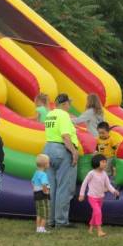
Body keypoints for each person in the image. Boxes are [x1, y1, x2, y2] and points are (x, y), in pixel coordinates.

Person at [43, 93, 80, 228]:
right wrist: (74, 152)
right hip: (62, 151)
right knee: (64, 187)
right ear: (65, 104)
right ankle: (61, 221)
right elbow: (65, 136)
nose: (69, 106)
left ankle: (49, 220)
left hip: (48, 149)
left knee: (51, 187)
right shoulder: (64, 115)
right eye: (69, 103)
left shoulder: (50, 114)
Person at [78, 154, 120, 237]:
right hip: (92, 197)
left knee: (95, 213)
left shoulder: (104, 174)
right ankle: (99, 230)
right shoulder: (91, 173)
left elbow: (108, 185)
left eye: (105, 162)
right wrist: (81, 194)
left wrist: (114, 191)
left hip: (101, 197)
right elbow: (84, 183)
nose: (105, 164)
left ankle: (90, 228)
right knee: (98, 212)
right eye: (103, 162)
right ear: (96, 162)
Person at [31, 154, 51, 234]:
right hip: (43, 195)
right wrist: (45, 191)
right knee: (45, 212)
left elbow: (32, 181)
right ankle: (42, 228)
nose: (49, 164)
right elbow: (44, 184)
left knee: (39, 212)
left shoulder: (36, 173)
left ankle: (38, 228)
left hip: (36, 194)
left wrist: (34, 189)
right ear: (45, 165)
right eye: (49, 163)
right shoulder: (43, 174)